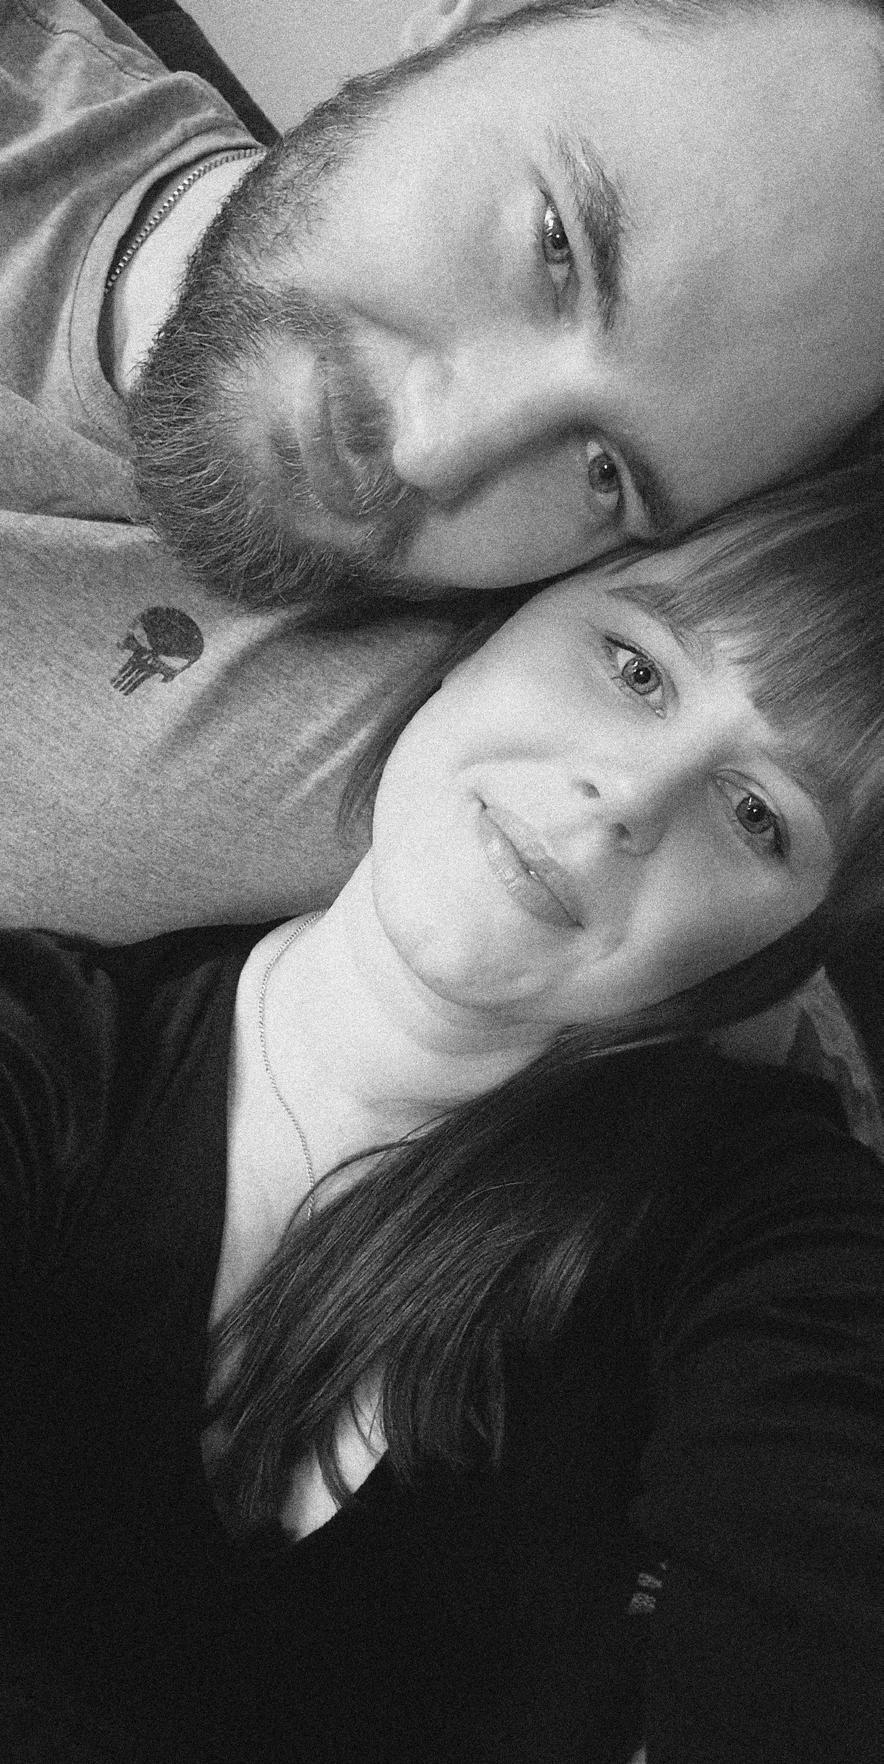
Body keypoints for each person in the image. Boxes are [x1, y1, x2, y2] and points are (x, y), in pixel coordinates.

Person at [2, 455, 882, 1761]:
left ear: (770, 953)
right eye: (635, 667)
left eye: (758, 816)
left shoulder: (758, 1226)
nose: (626, 800)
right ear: (481, 636)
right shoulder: (49, 1042)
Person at [1, 0, 883, 937]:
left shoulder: (468, 743)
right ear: (471, 23)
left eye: (605, 473)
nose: (433, 448)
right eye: (557, 246)